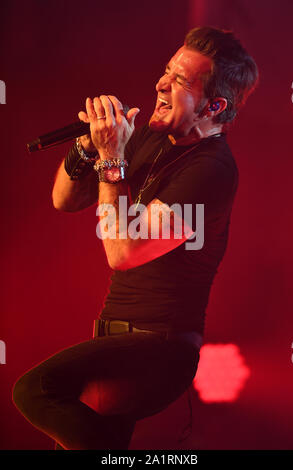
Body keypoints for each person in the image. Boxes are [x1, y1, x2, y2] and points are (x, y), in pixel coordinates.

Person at [12, 26, 258, 450]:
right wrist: (88, 148)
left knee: (35, 390)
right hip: (113, 335)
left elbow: (123, 252)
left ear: (214, 106)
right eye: (166, 71)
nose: (160, 83)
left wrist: (111, 160)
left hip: (158, 349)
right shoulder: (148, 137)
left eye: (180, 80)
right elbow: (64, 201)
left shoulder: (211, 170)